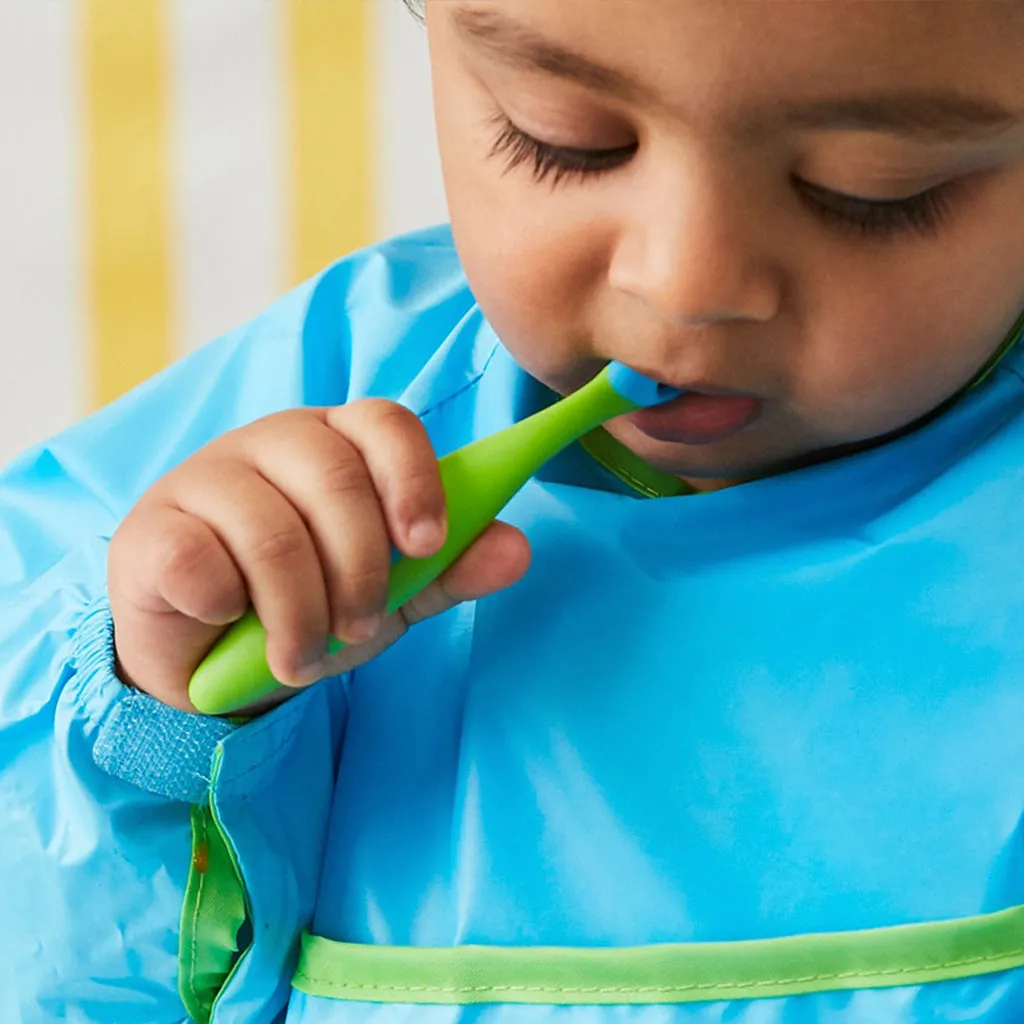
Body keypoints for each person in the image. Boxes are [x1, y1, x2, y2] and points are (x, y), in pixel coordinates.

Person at [5, 2, 1024, 1021]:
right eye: (561, 140)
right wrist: (149, 724)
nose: (683, 285)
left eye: (870, 189)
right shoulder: (300, 414)